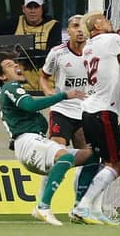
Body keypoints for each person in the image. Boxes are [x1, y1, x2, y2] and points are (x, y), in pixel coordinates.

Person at [0, 51, 98, 226]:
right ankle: (43, 206)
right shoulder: (10, 87)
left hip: (33, 142)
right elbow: (30, 105)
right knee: (65, 157)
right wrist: (63, 95)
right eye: (10, 65)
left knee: (92, 156)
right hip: (27, 142)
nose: (16, 66)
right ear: (2, 76)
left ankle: (79, 207)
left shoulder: (15, 90)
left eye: (16, 63)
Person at [71, 11, 120, 226]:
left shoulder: (88, 47)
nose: (109, 21)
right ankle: (83, 206)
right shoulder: (112, 39)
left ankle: (90, 208)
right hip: (104, 112)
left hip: (88, 111)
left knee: (101, 161)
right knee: (116, 165)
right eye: (105, 18)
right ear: (98, 24)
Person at [39, 14, 101, 213]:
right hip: (62, 111)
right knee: (57, 156)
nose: (80, 30)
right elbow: (44, 76)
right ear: (69, 30)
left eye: (83, 26)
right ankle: (43, 202)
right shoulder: (57, 52)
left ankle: (80, 204)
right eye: (75, 26)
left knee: (90, 157)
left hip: (86, 112)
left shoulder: (95, 52)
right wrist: (50, 94)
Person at [0, 0, 61, 91]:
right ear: (23, 9)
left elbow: (52, 54)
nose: (32, 11)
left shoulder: (53, 25)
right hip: (21, 84)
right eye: (29, 7)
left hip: (47, 84)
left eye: (36, 7)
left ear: (43, 9)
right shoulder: (16, 22)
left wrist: (19, 52)